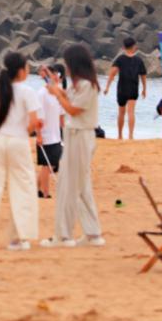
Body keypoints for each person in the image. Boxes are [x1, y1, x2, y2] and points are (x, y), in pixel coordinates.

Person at [0, 52, 41, 251]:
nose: (28, 70)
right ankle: (18, 237)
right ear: (20, 71)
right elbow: (34, 122)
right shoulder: (27, 91)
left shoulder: (0, 92)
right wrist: (28, 131)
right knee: (23, 187)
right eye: (27, 67)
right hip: (18, 141)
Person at [41, 44, 105, 248]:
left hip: (81, 136)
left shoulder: (87, 85)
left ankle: (63, 235)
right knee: (81, 186)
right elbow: (64, 96)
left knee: (68, 186)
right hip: (74, 136)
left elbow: (73, 109)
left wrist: (57, 92)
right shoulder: (78, 85)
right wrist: (52, 84)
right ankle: (93, 234)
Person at [104, 37, 147, 139]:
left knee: (121, 112)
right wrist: (144, 89)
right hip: (133, 88)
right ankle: (131, 136)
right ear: (134, 46)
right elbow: (143, 75)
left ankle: (120, 135)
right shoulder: (138, 60)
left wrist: (107, 87)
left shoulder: (120, 59)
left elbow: (112, 74)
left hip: (122, 89)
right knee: (131, 112)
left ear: (124, 47)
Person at [36, 64, 65, 198]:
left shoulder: (58, 91)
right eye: (54, 75)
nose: (57, 77)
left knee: (52, 165)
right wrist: (39, 135)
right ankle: (45, 192)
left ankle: (36, 188)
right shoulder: (41, 93)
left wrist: (63, 132)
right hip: (45, 134)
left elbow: (61, 114)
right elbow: (38, 117)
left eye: (58, 75)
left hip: (56, 134)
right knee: (47, 165)